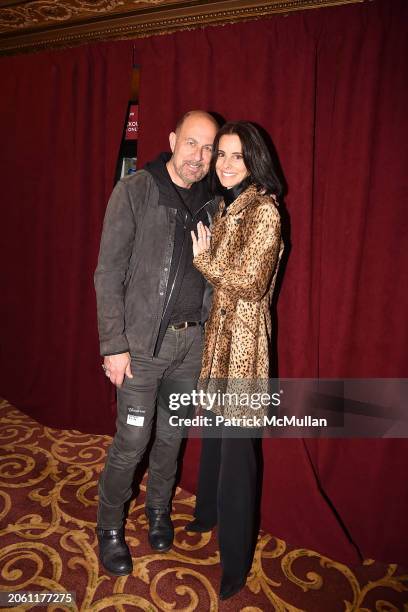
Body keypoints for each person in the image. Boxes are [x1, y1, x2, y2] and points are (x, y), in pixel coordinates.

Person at [94, 110, 218, 576]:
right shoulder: (136, 190)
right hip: (143, 347)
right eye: (192, 144)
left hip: (192, 345)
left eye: (208, 149)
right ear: (172, 140)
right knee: (132, 439)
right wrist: (114, 344)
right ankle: (109, 527)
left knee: (172, 436)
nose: (199, 157)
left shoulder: (212, 203)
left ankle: (158, 510)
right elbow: (107, 272)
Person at [188, 121, 284, 600]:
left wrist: (205, 262)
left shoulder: (264, 210)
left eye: (236, 157)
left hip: (245, 348)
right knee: (216, 438)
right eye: (221, 154)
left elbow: (247, 282)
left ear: (255, 162)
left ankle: (236, 561)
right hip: (220, 340)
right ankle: (207, 513)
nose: (224, 164)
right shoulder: (230, 206)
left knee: (239, 455)